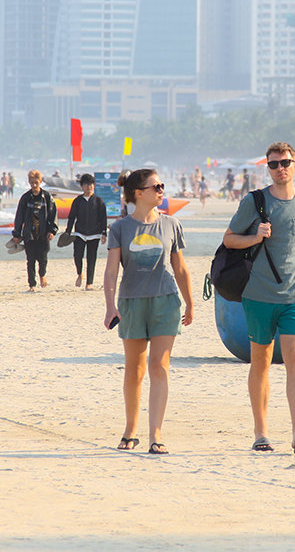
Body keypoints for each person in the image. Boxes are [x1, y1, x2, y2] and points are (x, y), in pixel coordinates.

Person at [224, 141, 295, 455]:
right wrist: (255, 236)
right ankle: (261, 432)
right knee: (261, 362)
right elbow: (229, 239)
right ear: (268, 167)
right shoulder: (255, 201)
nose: (280, 169)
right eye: (274, 164)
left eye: (285, 163)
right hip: (259, 295)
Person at [104, 169, 194, 455]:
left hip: (166, 301)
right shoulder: (120, 228)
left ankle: (156, 434)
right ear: (138, 193)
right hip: (131, 301)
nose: (161, 190)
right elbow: (110, 271)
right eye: (155, 186)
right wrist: (110, 306)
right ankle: (131, 429)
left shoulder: (171, 224)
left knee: (159, 366)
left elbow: (180, 268)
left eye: (162, 185)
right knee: (134, 369)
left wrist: (190, 302)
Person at [10, 170, 58, 291]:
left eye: (36, 182)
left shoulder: (47, 197)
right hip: (29, 234)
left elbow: (53, 215)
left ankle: (42, 275)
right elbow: (19, 216)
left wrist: (52, 231)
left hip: (43, 233)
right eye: (32, 182)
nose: (34, 185)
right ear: (29, 182)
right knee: (30, 260)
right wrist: (17, 233)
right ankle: (32, 285)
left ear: (40, 182)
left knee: (43, 259)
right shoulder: (25, 198)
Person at [66, 173, 107, 291]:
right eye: (86, 185)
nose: (88, 187)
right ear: (82, 186)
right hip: (79, 233)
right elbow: (71, 217)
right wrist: (68, 231)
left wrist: (104, 233)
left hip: (94, 234)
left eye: (91, 184)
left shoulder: (99, 201)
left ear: (94, 186)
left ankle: (89, 283)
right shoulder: (77, 201)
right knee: (77, 255)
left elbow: (103, 218)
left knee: (91, 258)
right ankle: (79, 273)